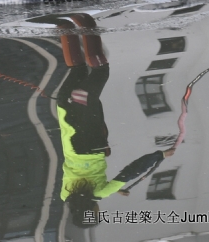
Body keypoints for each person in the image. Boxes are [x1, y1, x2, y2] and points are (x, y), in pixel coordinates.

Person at [49, 13, 175, 227]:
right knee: (78, 70)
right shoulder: (65, 196)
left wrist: (159, 154)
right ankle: (64, 26)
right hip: (67, 117)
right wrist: (117, 188)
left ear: (91, 211)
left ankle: (86, 24)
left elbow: (132, 170)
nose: (99, 211)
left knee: (100, 70)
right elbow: (90, 191)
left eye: (96, 214)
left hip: (86, 125)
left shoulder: (99, 192)